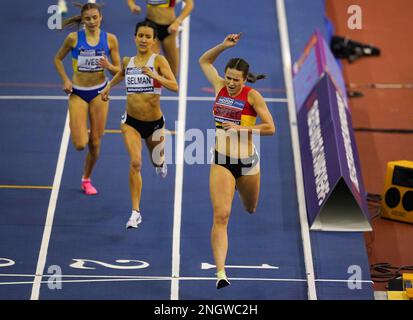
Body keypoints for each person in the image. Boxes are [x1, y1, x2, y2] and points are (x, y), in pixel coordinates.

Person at [198, 33, 276, 289]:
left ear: (244, 79)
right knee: (221, 216)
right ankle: (221, 272)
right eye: (228, 77)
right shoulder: (219, 85)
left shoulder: (253, 96)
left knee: (250, 207)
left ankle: (248, 202)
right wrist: (223, 45)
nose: (231, 83)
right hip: (221, 160)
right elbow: (203, 61)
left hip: (248, 162)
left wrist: (241, 129)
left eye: (235, 80)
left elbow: (270, 128)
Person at [100, 20, 178, 229]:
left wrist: (156, 76)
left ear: (153, 40)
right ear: (135, 37)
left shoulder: (158, 60)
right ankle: (135, 212)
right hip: (131, 122)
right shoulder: (128, 61)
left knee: (157, 160)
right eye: (140, 36)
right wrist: (108, 86)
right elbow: (121, 73)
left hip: (154, 124)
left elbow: (175, 86)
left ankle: (161, 163)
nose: (143, 40)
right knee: (135, 163)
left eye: (148, 37)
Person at [54, 3, 121, 195]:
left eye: (94, 17)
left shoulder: (110, 40)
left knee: (95, 143)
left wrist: (108, 65)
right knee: (80, 144)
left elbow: (119, 70)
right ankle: (79, 125)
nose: (91, 21)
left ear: (100, 18)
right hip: (78, 92)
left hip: (99, 92)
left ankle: (86, 178)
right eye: (88, 18)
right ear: (82, 20)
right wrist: (65, 79)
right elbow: (57, 59)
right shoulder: (74, 38)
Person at [126, 0, 194, 77]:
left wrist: (177, 22)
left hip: (169, 29)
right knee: (149, 67)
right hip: (151, 27)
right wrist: (132, 6)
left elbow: (189, 3)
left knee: (172, 73)